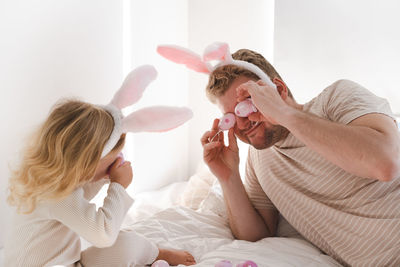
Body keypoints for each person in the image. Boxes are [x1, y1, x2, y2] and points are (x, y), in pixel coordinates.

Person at [200, 48, 400, 266]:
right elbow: (256, 237)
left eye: (246, 105)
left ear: (278, 89)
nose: (242, 123)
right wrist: (229, 178)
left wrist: (284, 114)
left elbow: (386, 163)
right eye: (230, 116)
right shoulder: (259, 161)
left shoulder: (336, 99)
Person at [4, 100, 196, 266]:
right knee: (116, 240)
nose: (116, 162)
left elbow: (80, 200)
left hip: (67, 263)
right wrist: (118, 186)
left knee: (126, 244)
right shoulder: (56, 195)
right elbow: (103, 234)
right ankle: (153, 254)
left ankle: (155, 253)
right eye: (111, 159)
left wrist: (104, 177)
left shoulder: (50, 179)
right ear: (86, 162)